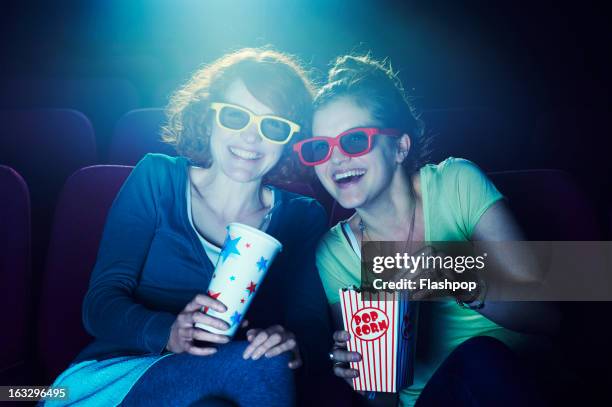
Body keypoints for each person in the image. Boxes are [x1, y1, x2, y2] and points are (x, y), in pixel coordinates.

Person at [44, 48, 332, 407]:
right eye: (234, 116)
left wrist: (289, 341)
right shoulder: (157, 178)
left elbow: (312, 328)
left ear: (290, 139)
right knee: (262, 367)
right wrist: (169, 332)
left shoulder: (303, 216)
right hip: (118, 377)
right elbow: (99, 304)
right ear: (208, 117)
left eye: (272, 125)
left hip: (224, 384)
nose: (250, 137)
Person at [293, 54, 560, 406]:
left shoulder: (456, 183)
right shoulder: (334, 252)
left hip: (523, 378)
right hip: (432, 400)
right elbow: (383, 398)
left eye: (355, 141)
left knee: (482, 355)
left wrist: (458, 278)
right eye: (320, 148)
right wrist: (360, 375)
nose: (336, 159)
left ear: (400, 148)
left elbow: (548, 316)